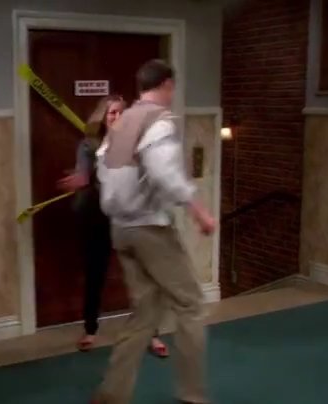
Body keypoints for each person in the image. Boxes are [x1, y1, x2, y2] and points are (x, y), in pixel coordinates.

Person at [91, 60, 216, 404]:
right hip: (149, 229)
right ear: (167, 85)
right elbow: (165, 174)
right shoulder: (158, 122)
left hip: (121, 230)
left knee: (144, 314)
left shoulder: (120, 123)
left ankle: (112, 395)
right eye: (172, 88)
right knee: (191, 305)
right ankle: (192, 395)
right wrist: (199, 212)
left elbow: (102, 169)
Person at [57, 94, 170, 357]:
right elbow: (84, 175)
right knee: (95, 275)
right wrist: (78, 181)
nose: (117, 117)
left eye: (121, 112)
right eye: (112, 113)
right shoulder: (89, 145)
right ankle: (90, 330)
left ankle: (151, 333)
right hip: (99, 217)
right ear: (104, 117)